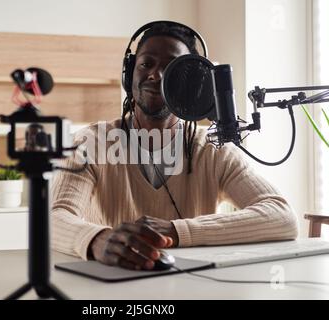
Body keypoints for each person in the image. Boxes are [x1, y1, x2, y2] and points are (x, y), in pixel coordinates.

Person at [51, 21, 298, 270]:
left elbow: (281, 216)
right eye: (146, 63)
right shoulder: (91, 143)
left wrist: (176, 231)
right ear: (129, 73)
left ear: (193, 85)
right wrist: (97, 240)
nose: (155, 74)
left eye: (171, 68)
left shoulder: (215, 150)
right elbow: (53, 218)